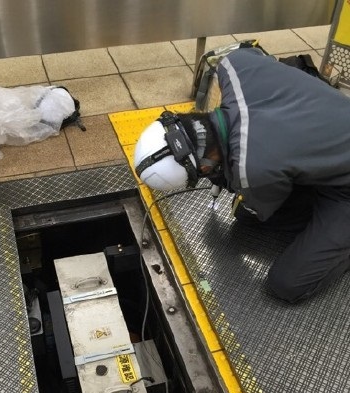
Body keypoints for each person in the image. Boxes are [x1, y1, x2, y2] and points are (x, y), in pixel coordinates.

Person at [134, 47, 350, 303]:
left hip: (344, 191)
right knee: (246, 213)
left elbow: (266, 208)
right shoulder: (235, 65)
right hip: (337, 133)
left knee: (286, 284)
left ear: (204, 168)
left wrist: (230, 178)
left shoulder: (253, 172)